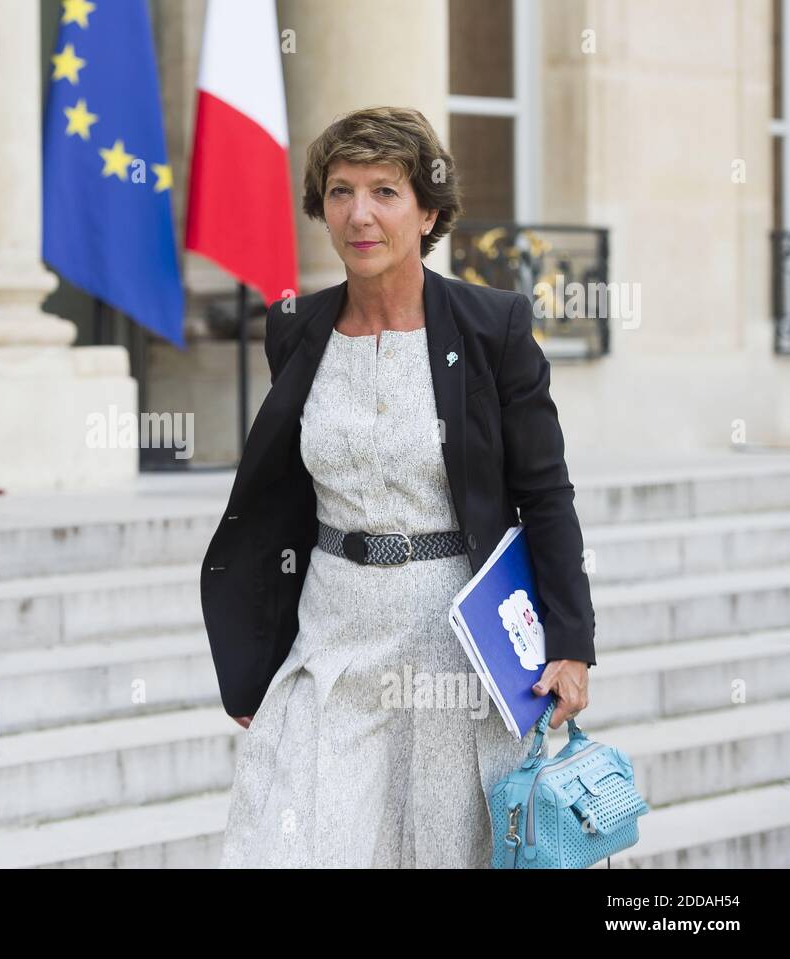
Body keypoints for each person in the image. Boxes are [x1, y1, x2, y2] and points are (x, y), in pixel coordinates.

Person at [205, 106, 596, 868]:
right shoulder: (296, 328)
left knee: (445, 849)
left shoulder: (494, 327)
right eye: (342, 191)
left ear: (428, 213)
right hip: (331, 634)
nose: (360, 214)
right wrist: (255, 653)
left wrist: (571, 643)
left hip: (453, 642)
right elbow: (281, 501)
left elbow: (546, 493)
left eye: (385, 191)